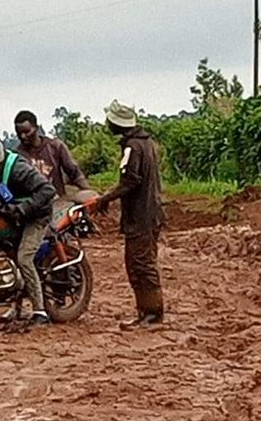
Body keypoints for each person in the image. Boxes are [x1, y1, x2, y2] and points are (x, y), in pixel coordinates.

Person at [0, 135, 56, 328]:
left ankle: (39, 311)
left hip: (35, 216)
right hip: (8, 214)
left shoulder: (18, 169)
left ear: (0, 160)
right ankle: (15, 303)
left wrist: (23, 209)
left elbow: (47, 190)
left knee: (23, 257)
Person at [95, 101, 164, 330]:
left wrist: (105, 198)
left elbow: (131, 180)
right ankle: (147, 312)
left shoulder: (132, 147)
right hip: (150, 212)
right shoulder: (146, 144)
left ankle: (151, 315)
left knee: (141, 265)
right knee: (141, 263)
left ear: (116, 123)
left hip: (141, 216)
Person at [14, 110, 88, 203]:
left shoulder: (55, 147)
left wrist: (88, 191)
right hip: (32, 207)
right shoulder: (16, 156)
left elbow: (74, 173)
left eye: (27, 132)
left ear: (36, 128)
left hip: (59, 203)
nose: (23, 136)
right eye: (19, 133)